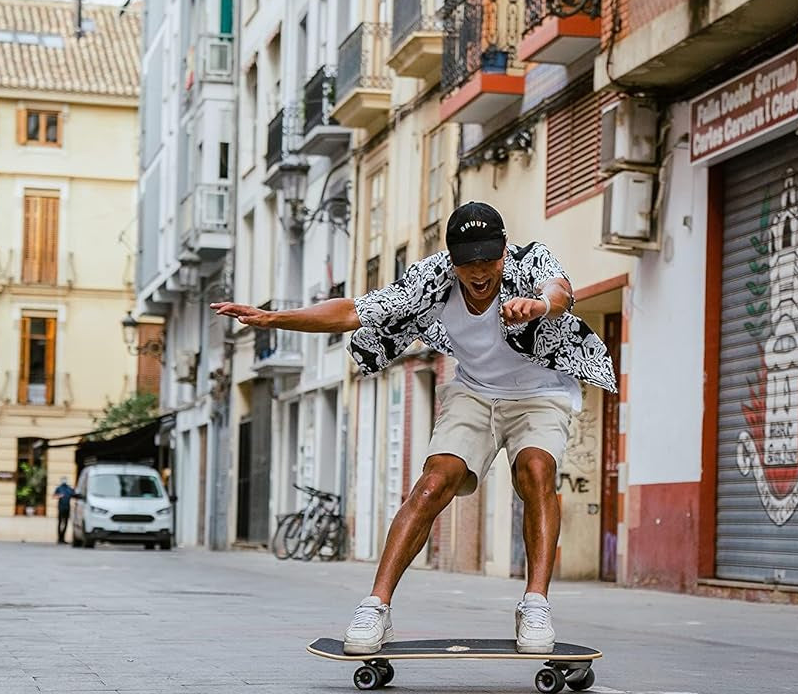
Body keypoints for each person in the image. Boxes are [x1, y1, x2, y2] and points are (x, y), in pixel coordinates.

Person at [212, 202, 616, 654]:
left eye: (489, 260)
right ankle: (375, 607)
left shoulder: (530, 261)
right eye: (468, 264)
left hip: (541, 391)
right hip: (475, 391)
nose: (479, 274)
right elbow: (354, 311)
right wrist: (273, 319)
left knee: (536, 471)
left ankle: (535, 605)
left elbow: (560, 292)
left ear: (505, 251)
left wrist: (539, 305)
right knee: (432, 484)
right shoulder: (432, 278)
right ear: (452, 260)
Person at [54, 478, 76, 543]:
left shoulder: (69, 488)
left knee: (65, 523)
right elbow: (54, 496)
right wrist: (59, 496)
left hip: (67, 508)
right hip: (61, 508)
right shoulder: (59, 488)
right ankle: (59, 538)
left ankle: (62, 538)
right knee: (60, 523)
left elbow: (74, 494)